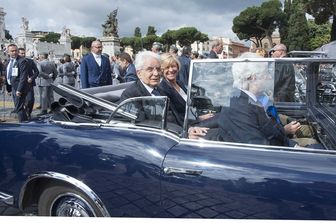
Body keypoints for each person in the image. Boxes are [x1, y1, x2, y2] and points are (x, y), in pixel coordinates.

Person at [5, 44, 29, 122]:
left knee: (19, 108)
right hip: (13, 87)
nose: (14, 52)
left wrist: (19, 90)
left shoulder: (22, 61)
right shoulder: (9, 61)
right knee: (18, 107)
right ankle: (24, 123)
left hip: (19, 88)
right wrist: (8, 89)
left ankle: (24, 124)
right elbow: (7, 75)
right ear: (8, 52)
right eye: (12, 51)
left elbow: (23, 77)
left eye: (16, 51)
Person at [18, 48, 39, 120]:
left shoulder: (30, 61)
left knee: (30, 100)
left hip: (29, 84)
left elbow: (37, 72)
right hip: (19, 85)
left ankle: (28, 112)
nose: (23, 55)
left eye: (24, 53)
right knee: (20, 101)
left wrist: (32, 78)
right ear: (18, 53)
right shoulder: (15, 62)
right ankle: (22, 114)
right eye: (21, 53)